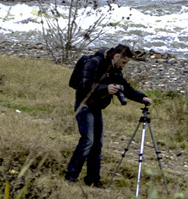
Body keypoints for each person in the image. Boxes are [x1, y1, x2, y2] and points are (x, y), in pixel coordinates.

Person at [65, 44, 151, 186]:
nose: (124, 65)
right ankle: (71, 176)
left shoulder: (116, 70)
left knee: (97, 144)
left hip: (96, 107)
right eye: (124, 62)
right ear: (117, 56)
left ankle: (92, 180)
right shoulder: (95, 62)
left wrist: (142, 98)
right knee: (87, 141)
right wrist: (106, 88)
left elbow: (126, 88)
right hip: (84, 105)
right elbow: (85, 85)